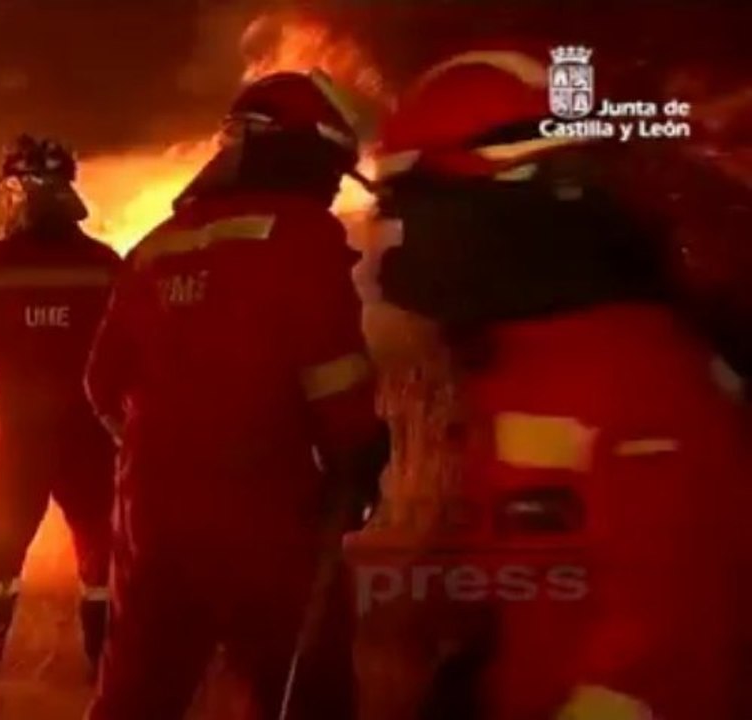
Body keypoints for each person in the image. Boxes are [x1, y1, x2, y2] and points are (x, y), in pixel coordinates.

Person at [349, 47, 750, 720]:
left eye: (410, 201)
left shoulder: (629, 370)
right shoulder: (524, 351)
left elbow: (675, 640)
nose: (394, 234)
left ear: (499, 199)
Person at [84, 69, 389, 720]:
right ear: (301, 153)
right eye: (331, 169)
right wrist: (356, 454)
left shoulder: (153, 247)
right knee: (304, 691)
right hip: (265, 510)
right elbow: (331, 368)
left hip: (150, 517)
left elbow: (101, 383)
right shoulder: (302, 235)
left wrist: (163, 447)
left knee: (136, 694)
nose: (333, 188)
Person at [0, 135, 122, 707]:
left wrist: (5, 379)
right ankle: (109, 683)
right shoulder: (104, 263)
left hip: (15, 436)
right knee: (105, 562)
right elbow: (128, 348)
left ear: (16, 190)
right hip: (92, 435)